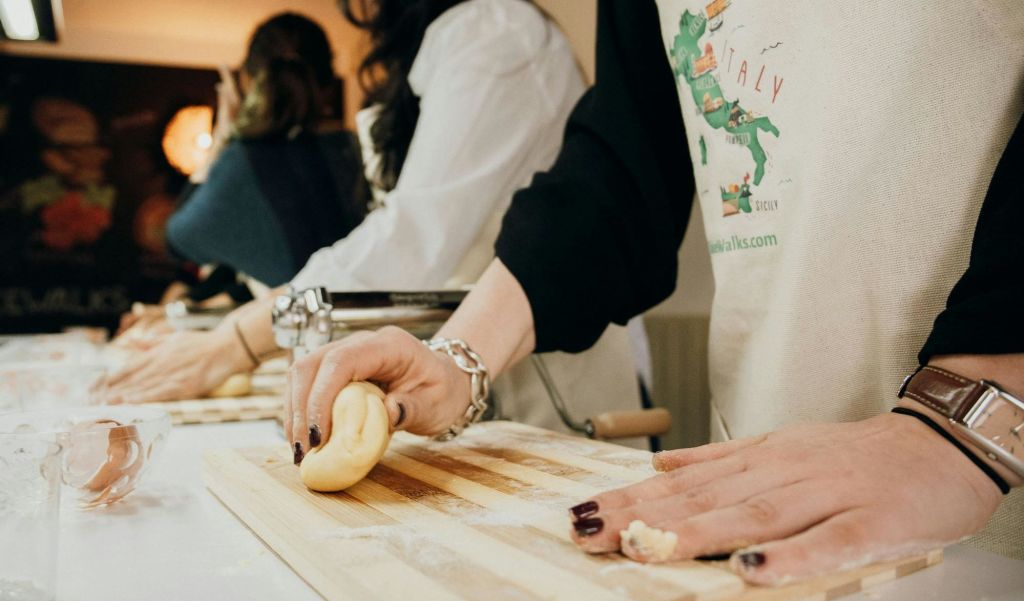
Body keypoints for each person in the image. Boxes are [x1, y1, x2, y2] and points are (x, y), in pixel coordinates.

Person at [284, 1, 1023, 583]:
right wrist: (454, 356)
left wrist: (972, 411)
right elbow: (624, 164)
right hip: (749, 483)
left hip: (991, 496)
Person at [107, 0, 649, 443]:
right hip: (460, 370)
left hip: (544, 374)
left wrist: (236, 341)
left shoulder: (496, 30)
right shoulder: (432, 51)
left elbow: (409, 242)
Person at [165, 12, 368, 288]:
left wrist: (221, 140)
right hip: (372, 322)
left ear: (247, 81)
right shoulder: (357, 150)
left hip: (290, 324)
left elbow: (178, 241)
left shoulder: (242, 161)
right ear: (329, 83)